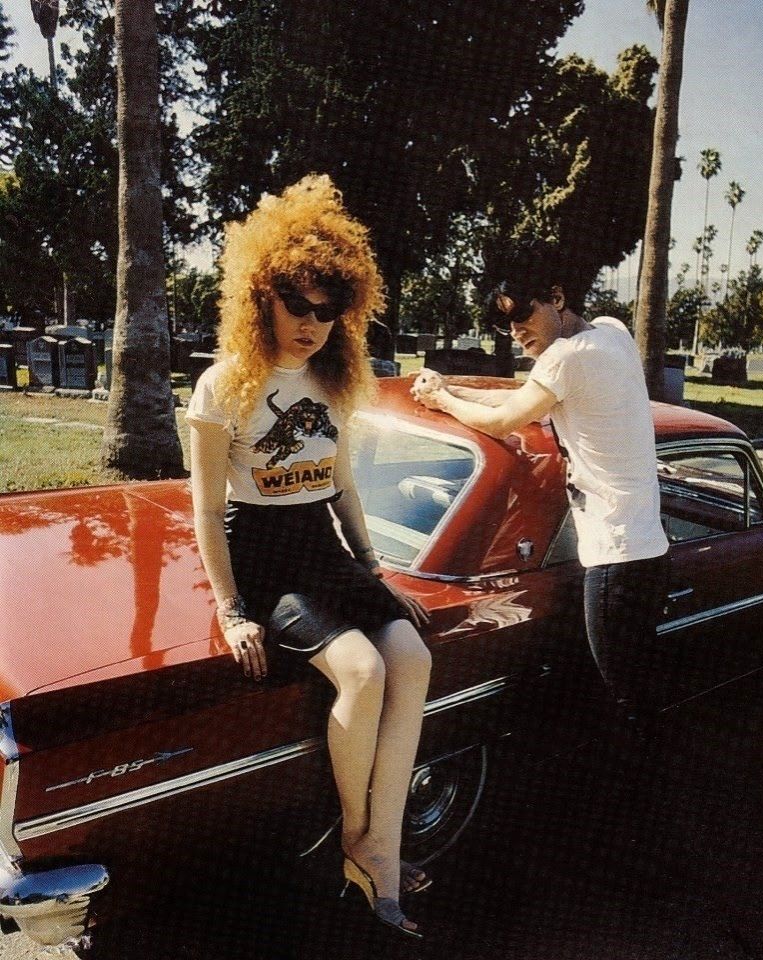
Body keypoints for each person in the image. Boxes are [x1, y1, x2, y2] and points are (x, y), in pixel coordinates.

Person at [186, 175, 431, 938]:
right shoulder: (222, 386)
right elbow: (205, 509)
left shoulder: (333, 378)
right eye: (297, 304)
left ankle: (383, 840)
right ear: (260, 297)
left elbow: (343, 485)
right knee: (361, 671)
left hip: (324, 549)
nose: (312, 324)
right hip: (262, 554)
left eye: (329, 310)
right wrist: (231, 611)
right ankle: (360, 841)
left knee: (411, 657)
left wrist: (374, 571)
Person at [411, 275, 670, 727]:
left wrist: (442, 401)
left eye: (521, 314)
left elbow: (502, 422)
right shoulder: (612, 333)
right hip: (648, 552)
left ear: (557, 296)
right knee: (635, 689)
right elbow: (524, 399)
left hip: (615, 559)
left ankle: (639, 767)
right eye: (504, 322)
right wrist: (448, 390)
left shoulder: (565, 359)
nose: (514, 329)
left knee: (624, 702)